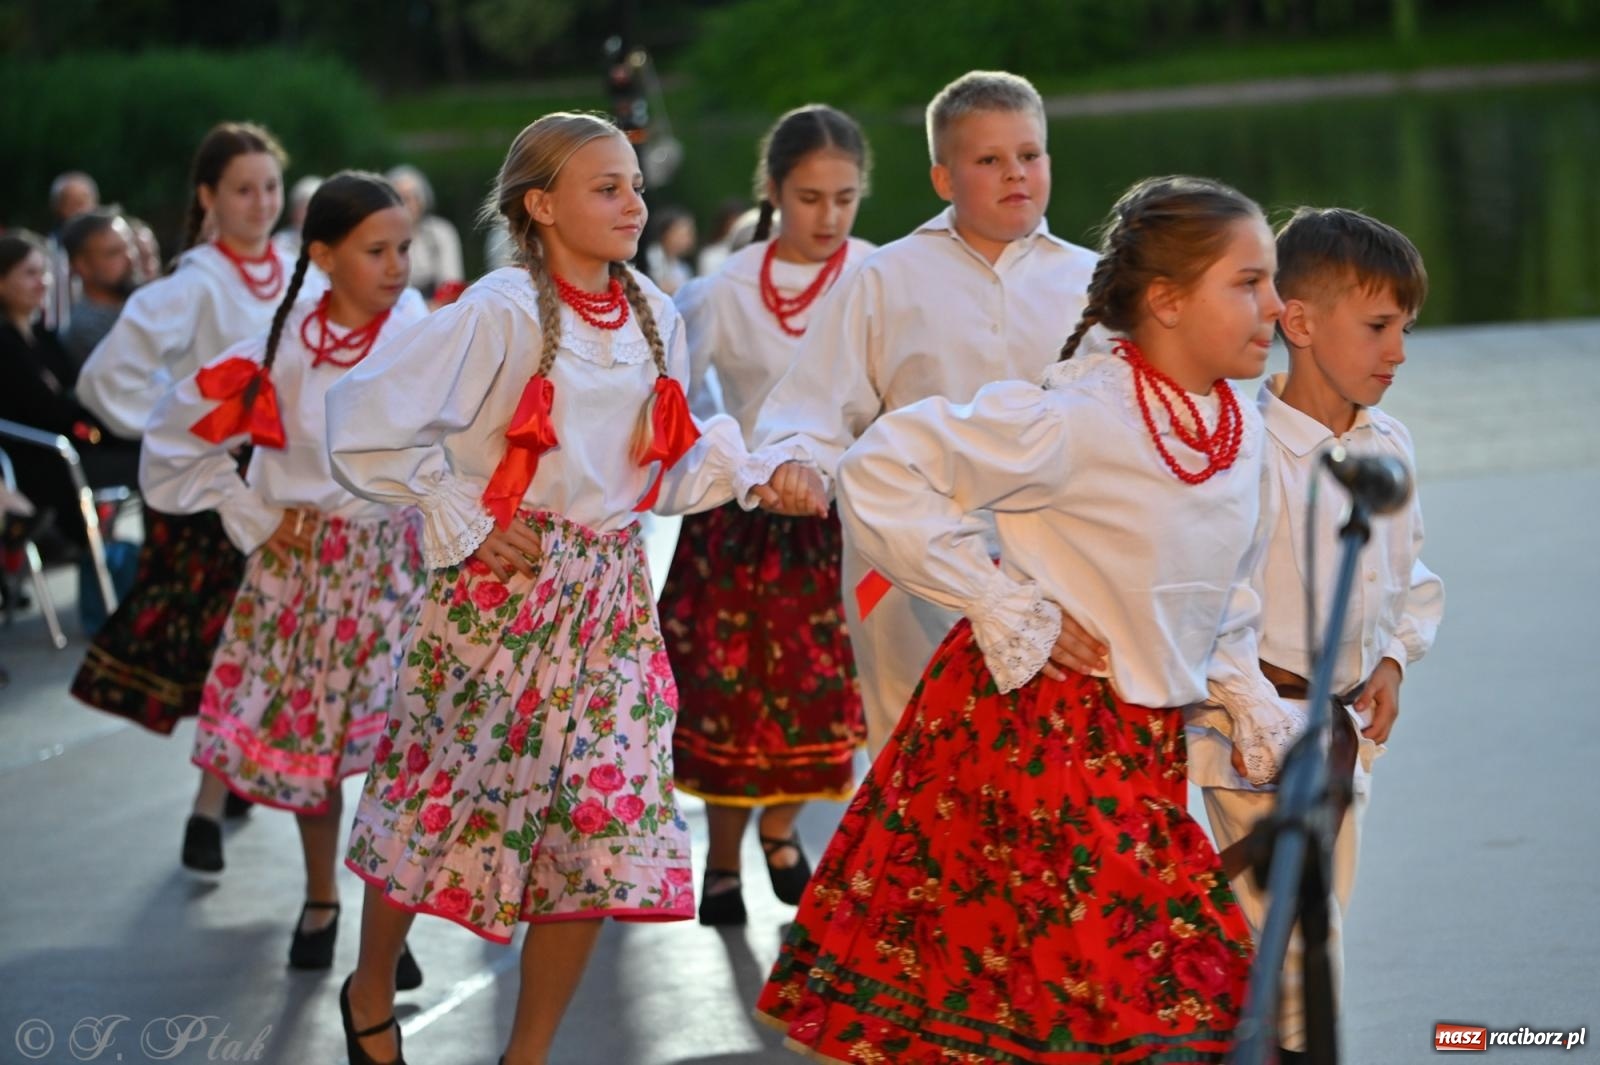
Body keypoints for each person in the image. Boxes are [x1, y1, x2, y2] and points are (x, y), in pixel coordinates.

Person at [755, 174, 1295, 1063]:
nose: (1275, 304)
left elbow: (1218, 591)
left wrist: (1242, 692)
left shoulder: (1234, 424)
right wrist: (1005, 601)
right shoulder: (1080, 414)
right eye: (1248, 283)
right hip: (1030, 736)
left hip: (1140, 753)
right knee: (1150, 997)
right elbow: (885, 466)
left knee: (1110, 1006)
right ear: (1164, 300)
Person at [326, 112, 791, 1065]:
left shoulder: (656, 315)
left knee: (599, 830)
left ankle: (526, 1054)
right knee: (442, 803)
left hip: (612, 603)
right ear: (541, 206)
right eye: (606, 187)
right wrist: (457, 504)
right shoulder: (501, 308)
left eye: (635, 184)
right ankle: (371, 980)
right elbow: (363, 418)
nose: (634, 203)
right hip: (503, 593)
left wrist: (754, 469)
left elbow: (666, 459)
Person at [750, 70, 1098, 755]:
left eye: (1029, 155)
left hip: (1066, 573)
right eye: (989, 160)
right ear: (943, 179)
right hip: (916, 572)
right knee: (923, 776)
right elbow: (813, 404)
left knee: (1055, 779)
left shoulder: (1098, 283)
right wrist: (794, 460)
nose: (1015, 174)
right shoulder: (886, 277)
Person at [139, 172, 431, 983]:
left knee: (399, 751)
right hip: (302, 570)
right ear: (324, 256)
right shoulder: (280, 342)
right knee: (314, 749)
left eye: (403, 248)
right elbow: (173, 436)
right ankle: (320, 896)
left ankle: (385, 915)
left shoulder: (422, 336)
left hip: (396, 568)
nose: (397, 266)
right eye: (377, 251)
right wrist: (256, 513)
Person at [1187, 206, 1445, 1061]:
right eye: (1378, 327)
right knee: (1299, 945)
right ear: (1297, 322)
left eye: (1405, 328)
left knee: (1316, 928)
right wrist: (1254, 708)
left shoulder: (1390, 442)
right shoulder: (1242, 452)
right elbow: (1209, 603)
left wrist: (1394, 659)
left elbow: (1408, 577)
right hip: (1250, 737)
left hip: (1343, 734)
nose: (1399, 351)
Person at [658, 105, 873, 926]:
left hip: (837, 518)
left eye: (844, 198)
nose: (828, 217)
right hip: (737, 521)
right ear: (774, 191)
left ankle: (781, 833)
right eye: (810, 197)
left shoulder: (878, 276)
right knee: (730, 698)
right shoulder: (720, 291)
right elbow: (673, 406)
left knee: (822, 700)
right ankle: (720, 858)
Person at [71, 122, 322, 823]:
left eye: (270, 186)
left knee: (270, 642)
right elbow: (104, 378)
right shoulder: (194, 281)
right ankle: (213, 798)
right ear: (209, 195)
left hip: (286, 477)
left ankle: (223, 789)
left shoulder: (301, 266)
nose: (260, 201)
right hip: (216, 481)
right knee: (231, 642)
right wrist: (179, 424)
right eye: (243, 189)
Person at [0, 232, 139, 551]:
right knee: (151, 461)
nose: (42, 282)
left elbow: (80, 392)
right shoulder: (6, 346)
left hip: (76, 448)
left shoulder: (43, 337)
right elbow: (47, 408)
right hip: (46, 462)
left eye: (43, 272)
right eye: (30, 273)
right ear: (2, 282)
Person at [60, 210, 138, 365]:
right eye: (113, 253)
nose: (129, 258)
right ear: (82, 265)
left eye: (129, 246)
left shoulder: (142, 301)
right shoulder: (84, 328)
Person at [386, 164, 464, 303]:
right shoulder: (381, 240)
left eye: (412, 197)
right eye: (400, 198)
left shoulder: (442, 232)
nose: (407, 204)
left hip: (440, 312)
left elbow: (452, 284)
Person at [43, 170, 100, 331]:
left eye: (84, 202)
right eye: (72, 204)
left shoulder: (112, 250)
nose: (80, 211)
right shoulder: (49, 251)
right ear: (59, 208)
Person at [643, 205, 695, 295]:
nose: (687, 239)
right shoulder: (652, 256)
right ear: (665, 233)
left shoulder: (683, 267)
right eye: (681, 234)